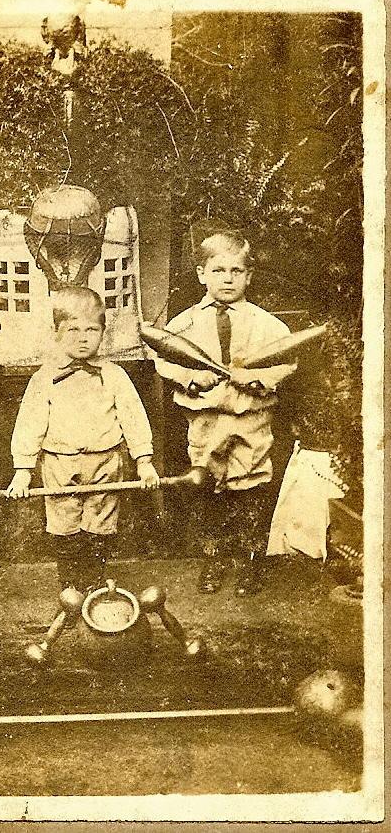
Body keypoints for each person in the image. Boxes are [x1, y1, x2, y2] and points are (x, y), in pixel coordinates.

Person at [154, 229, 296, 596]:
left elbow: (287, 361)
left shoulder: (266, 324)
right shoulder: (184, 323)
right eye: (218, 271)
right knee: (207, 486)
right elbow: (163, 360)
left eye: (236, 271)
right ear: (202, 273)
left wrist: (259, 381)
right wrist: (190, 377)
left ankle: (249, 561)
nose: (228, 279)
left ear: (249, 275)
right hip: (206, 419)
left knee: (251, 486)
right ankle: (213, 559)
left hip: (251, 417)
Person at [7, 285, 160, 593]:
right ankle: (70, 586)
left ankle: (94, 584)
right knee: (64, 525)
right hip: (59, 464)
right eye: (72, 329)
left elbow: (133, 419)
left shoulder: (114, 375)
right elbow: (29, 424)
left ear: (104, 332)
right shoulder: (44, 378)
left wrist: (144, 462)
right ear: (56, 332)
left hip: (105, 462)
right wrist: (22, 471)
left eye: (92, 329)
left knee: (100, 525)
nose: (83, 337)